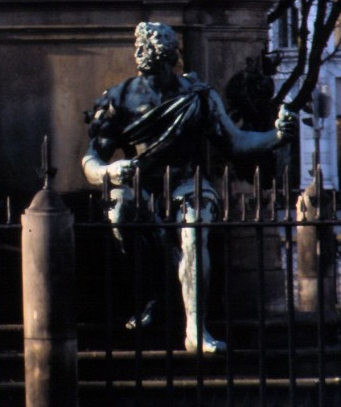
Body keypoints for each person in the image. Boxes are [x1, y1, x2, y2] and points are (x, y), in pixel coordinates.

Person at [82, 22, 298, 353]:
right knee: (120, 214)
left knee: (194, 232)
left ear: (170, 57)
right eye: (141, 49)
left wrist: (277, 136)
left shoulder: (197, 96)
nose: (142, 55)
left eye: (150, 51)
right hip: (137, 184)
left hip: (187, 182)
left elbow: (235, 142)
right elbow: (91, 159)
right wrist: (108, 170)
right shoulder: (120, 97)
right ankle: (152, 295)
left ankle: (195, 329)